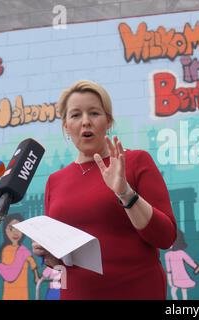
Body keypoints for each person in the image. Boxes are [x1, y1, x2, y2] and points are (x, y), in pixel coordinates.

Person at [32, 80, 177, 299]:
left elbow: (166, 237)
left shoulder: (136, 162)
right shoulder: (55, 181)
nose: (86, 122)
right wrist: (49, 254)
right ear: (65, 126)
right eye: (75, 115)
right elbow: (60, 260)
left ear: (108, 121)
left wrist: (125, 192)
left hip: (137, 291)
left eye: (94, 113)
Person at [0, 213, 40, 300]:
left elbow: (32, 263)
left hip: (21, 287)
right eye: (11, 228)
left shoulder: (23, 250)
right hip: (7, 289)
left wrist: (36, 276)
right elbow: (5, 270)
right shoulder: (5, 249)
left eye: (18, 229)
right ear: (5, 230)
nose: (15, 233)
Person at [164, 229, 197, 300]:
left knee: (181, 290)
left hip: (181, 276)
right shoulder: (168, 255)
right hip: (176, 277)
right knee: (175, 290)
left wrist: (197, 267)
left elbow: (190, 261)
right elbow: (168, 270)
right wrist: (169, 280)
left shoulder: (180, 253)